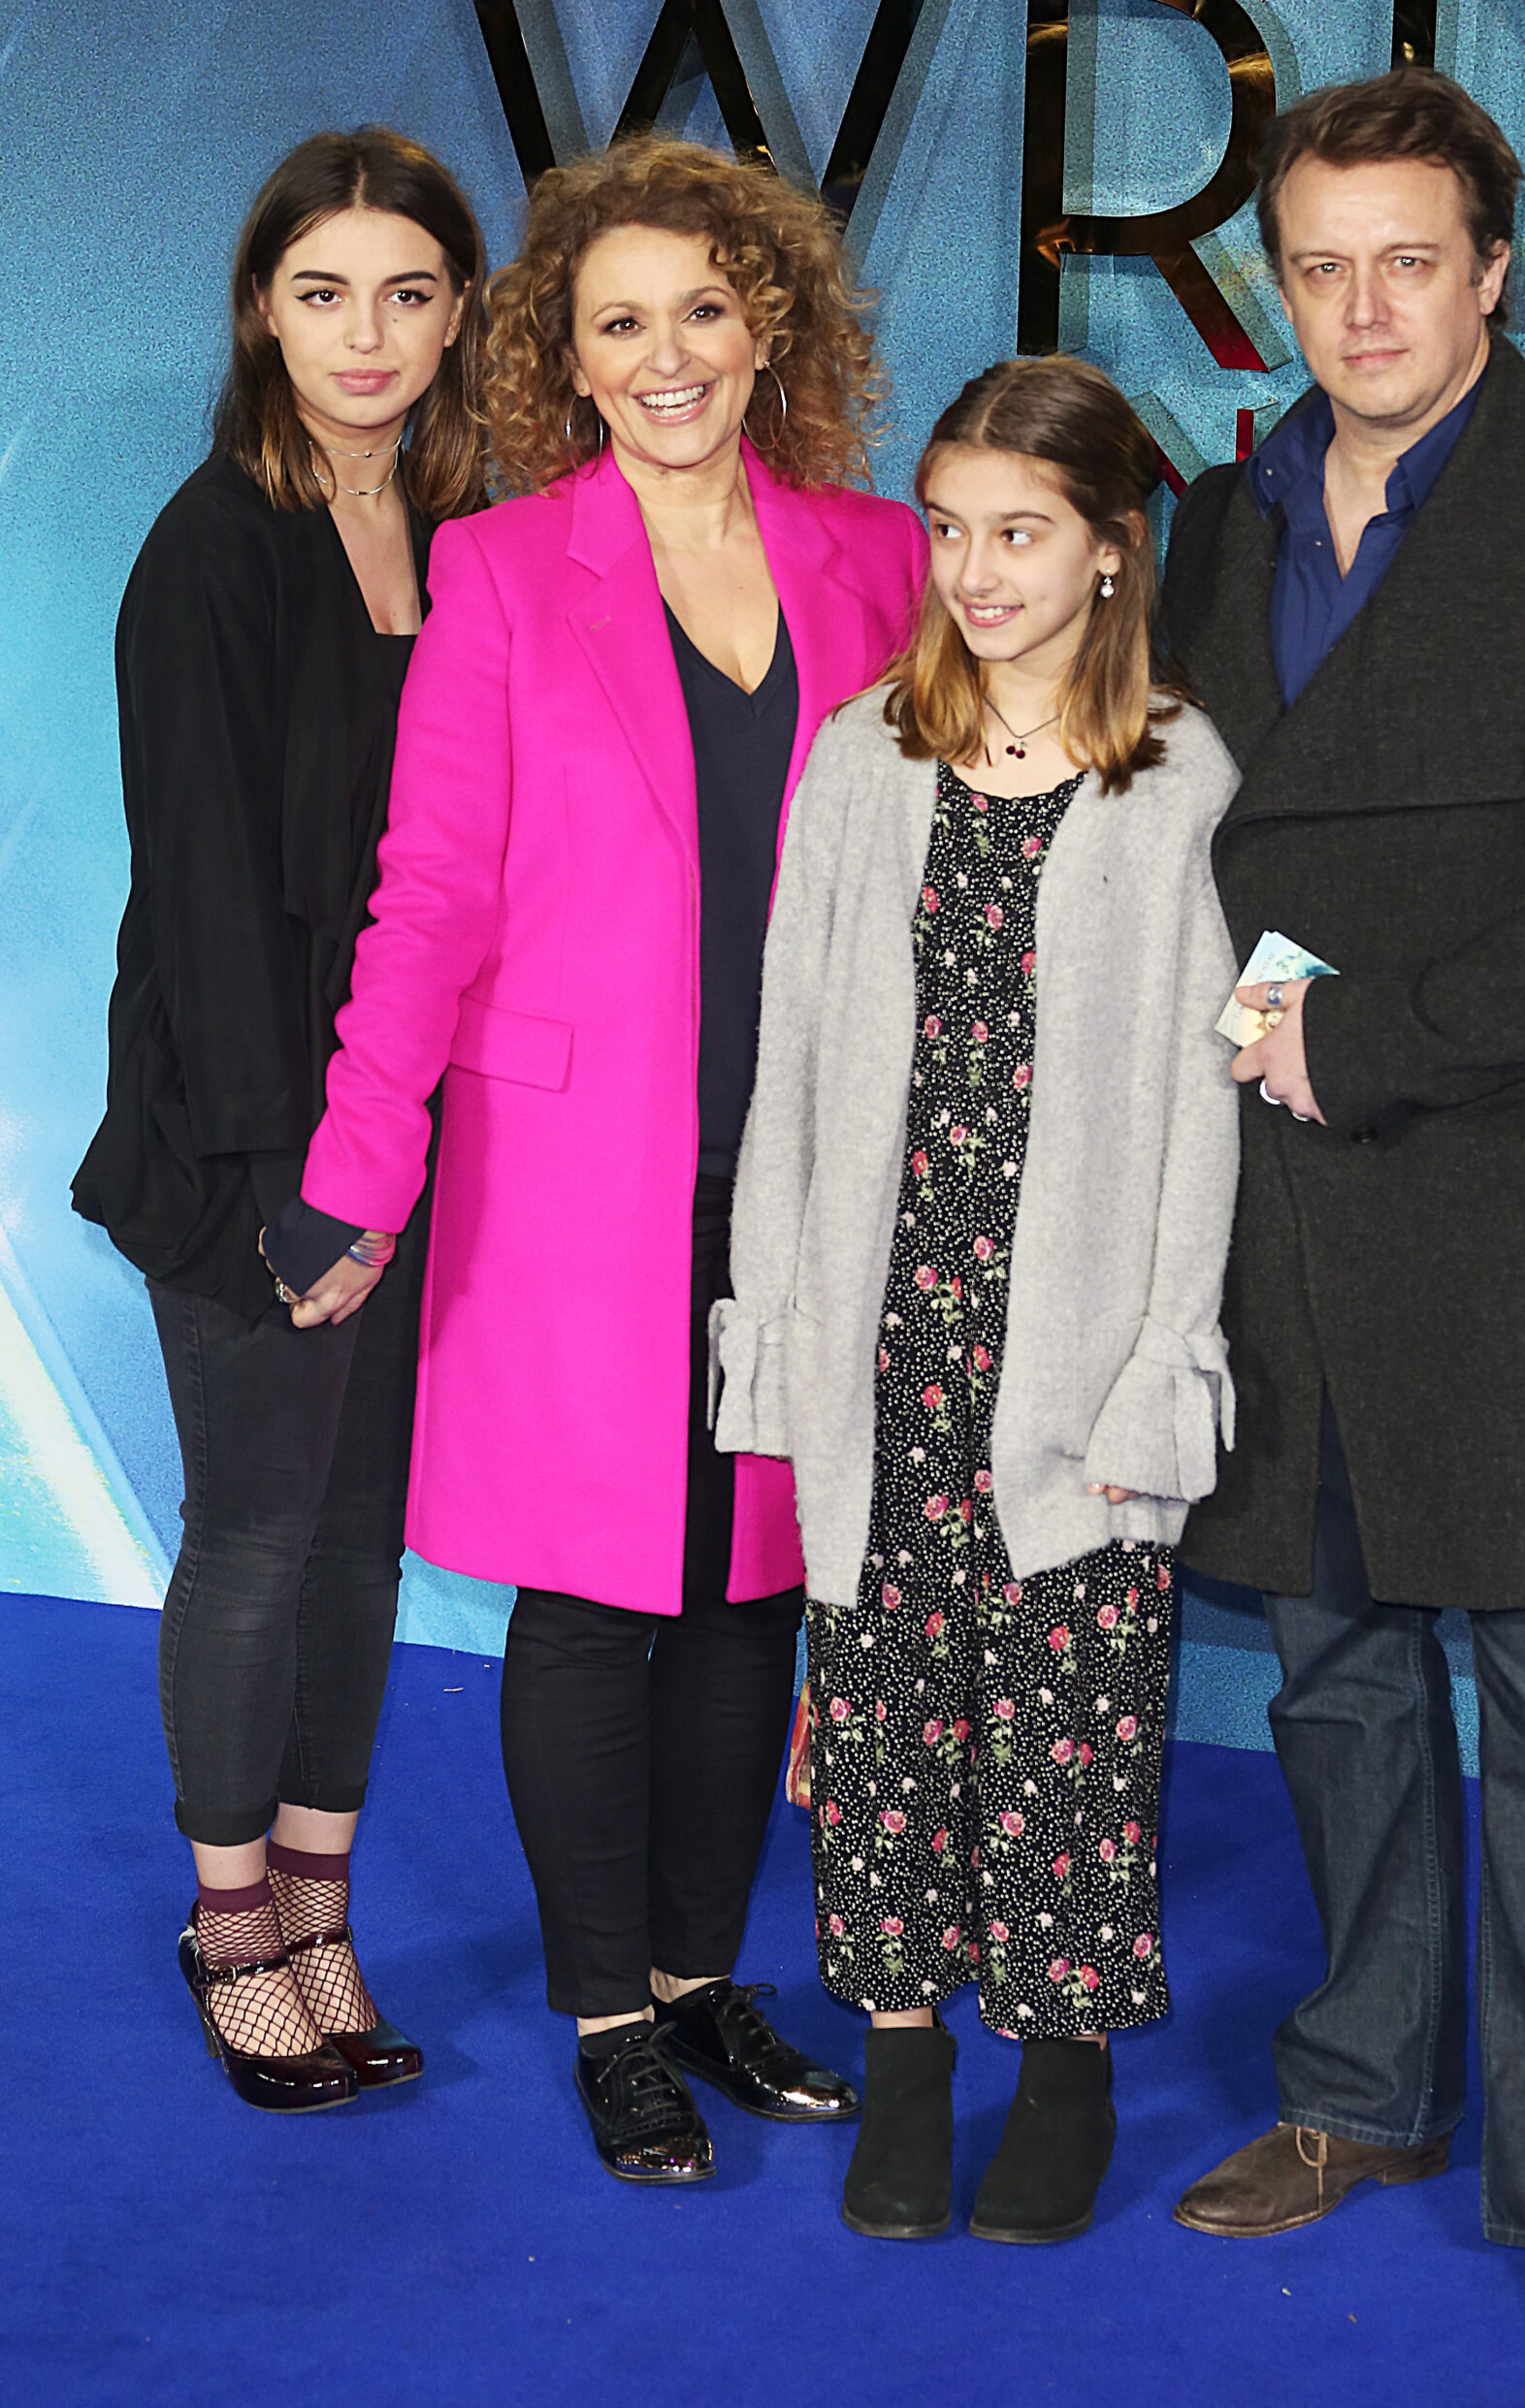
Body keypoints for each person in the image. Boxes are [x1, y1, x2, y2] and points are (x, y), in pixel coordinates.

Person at [1160, 69, 1525, 2385]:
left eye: (1411, 260)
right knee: (1333, 1675)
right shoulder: (1214, 528)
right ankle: (1364, 2088)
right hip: (1285, 1221)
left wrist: (1373, 1038)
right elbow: (1163, 840)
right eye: (1321, 266)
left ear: (1497, 271)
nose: (1366, 307)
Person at [282, 134, 929, 2184]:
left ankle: (698, 1975)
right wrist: (358, 1164)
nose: (667, 358)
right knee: (591, 1598)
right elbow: (431, 890)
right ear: (562, 358)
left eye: (703, 313)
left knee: (749, 1593)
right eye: (619, 323)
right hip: (575, 1175)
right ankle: (608, 2019)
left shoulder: (878, 560)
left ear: (769, 327)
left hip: (809, 1172)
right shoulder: (499, 568)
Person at [715, 355, 1242, 2244]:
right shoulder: (867, 756)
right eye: (949, 528)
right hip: (888, 1320)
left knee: (1070, 1709)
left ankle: (1065, 2065)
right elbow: (790, 1055)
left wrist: (1162, 1357)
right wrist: (776, 1310)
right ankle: (907, 2051)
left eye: (1020, 532)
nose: (975, 571)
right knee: (879, 1699)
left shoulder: (1183, 778)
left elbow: (1205, 1106)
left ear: (1110, 549)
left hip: (1077, 1336)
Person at [72, 129, 488, 2111]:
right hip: (253, 1137)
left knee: (359, 1546)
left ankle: (321, 1910)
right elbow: (209, 894)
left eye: (407, 292)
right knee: (255, 1532)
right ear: (263, 309)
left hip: (412, 1124)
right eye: (324, 293)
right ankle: (229, 1923)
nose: (366, 334)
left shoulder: (466, 530)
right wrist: (286, 1180)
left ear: (462, 312)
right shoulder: (214, 546)